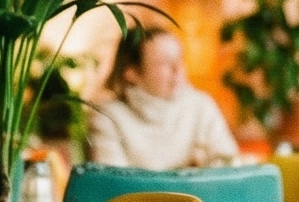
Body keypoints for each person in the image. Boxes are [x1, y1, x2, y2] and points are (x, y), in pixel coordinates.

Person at [84, 25, 239, 169]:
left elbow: (229, 163)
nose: (177, 69)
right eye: (164, 63)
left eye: (180, 59)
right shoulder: (107, 117)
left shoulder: (200, 105)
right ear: (131, 72)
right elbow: (115, 184)